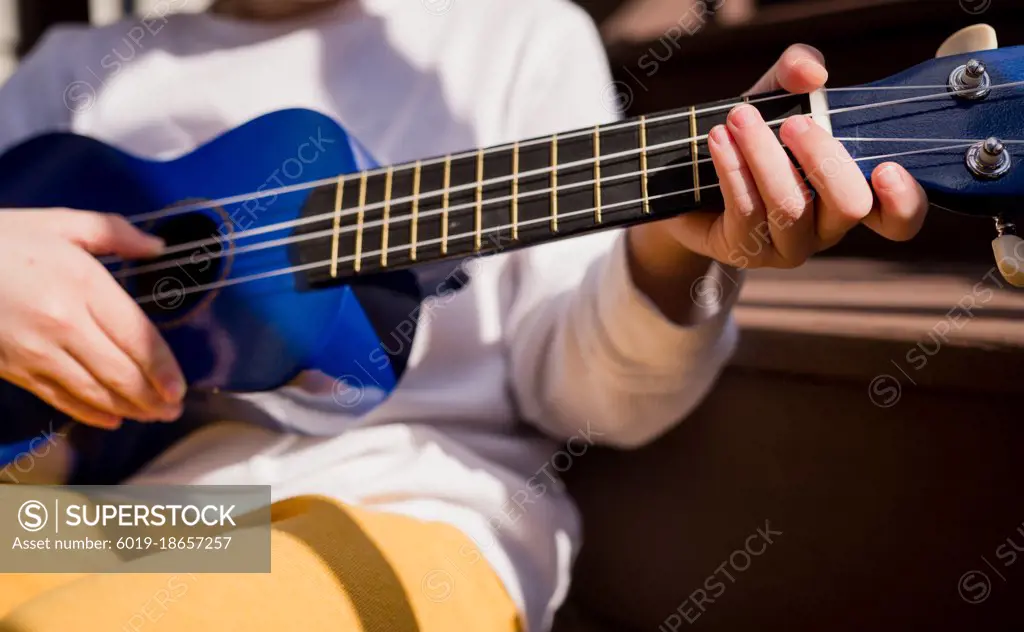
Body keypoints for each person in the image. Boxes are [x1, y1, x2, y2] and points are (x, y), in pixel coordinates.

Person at [0, 0, 929, 630]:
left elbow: (593, 401)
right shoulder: (71, 69)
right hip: (93, 514)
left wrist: (676, 253)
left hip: (391, 506)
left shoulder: (511, 34)